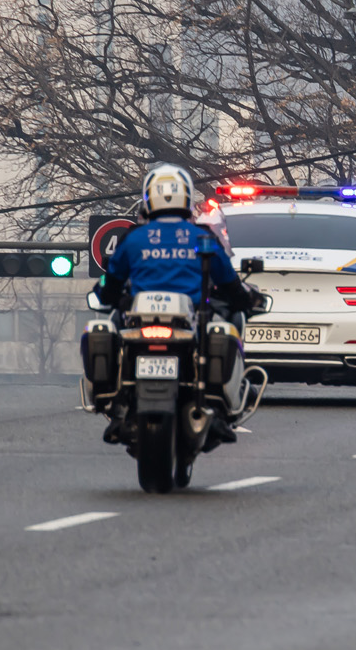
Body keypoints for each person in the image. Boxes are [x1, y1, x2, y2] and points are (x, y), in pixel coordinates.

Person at [95, 164, 264, 442]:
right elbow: (230, 283)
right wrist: (245, 301)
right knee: (228, 327)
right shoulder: (203, 238)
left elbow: (111, 285)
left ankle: (115, 404)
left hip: (140, 321)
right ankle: (221, 405)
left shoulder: (133, 238)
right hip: (193, 320)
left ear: (148, 199)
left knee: (111, 324)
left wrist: (109, 296)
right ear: (186, 198)